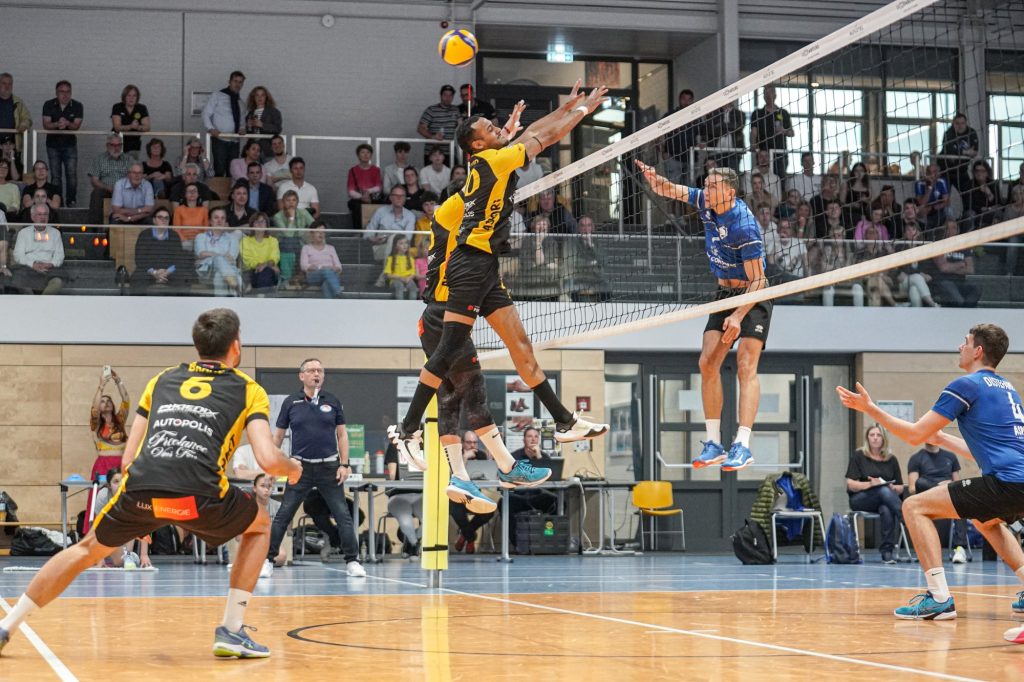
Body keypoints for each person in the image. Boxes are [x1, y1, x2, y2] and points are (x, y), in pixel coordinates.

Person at [0, 308, 302, 659]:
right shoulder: (249, 389)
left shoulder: (161, 380)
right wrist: (293, 468)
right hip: (201, 494)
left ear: (197, 345)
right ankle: (232, 630)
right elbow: (268, 459)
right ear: (236, 346)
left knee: (85, 549)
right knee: (260, 525)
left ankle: (7, 625)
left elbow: (128, 459)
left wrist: (145, 515)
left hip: (141, 489)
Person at [389, 82, 611, 461]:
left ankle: (563, 421)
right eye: (490, 130)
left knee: (521, 346)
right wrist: (582, 112)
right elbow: (545, 138)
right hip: (469, 266)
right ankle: (407, 431)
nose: (498, 128)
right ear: (477, 145)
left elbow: (534, 131)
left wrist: (568, 106)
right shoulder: (494, 161)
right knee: (447, 352)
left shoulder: (495, 158)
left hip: (487, 267)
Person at [836, 324, 1024, 638]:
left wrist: (870, 409)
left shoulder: (966, 385)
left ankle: (939, 598)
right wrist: (944, 439)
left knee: (913, 506)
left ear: (978, 351)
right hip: (1018, 481)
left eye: (965, 342)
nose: (960, 347)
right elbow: (987, 451)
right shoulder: (1007, 389)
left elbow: (913, 436)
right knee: (985, 520)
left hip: (1005, 482)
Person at [636, 161, 767, 471]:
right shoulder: (706, 203)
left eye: (713, 186)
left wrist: (738, 316)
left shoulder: (744, 225)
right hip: (724, 293)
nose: (706, 190)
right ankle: (714, 443)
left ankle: (742, 445)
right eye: (706, 185)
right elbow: (670, 190)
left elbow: (760, 281)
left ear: (729, 192)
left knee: (745, 366)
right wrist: (655, 179)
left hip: (752, 296)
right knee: (707, 363)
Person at [265, 358, 365, 578]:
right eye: (311, 370)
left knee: (343, 515)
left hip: (329, 467)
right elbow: (278, 436)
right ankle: (268, 561)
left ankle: (352, 561)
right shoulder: (291, 402)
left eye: (320, 370)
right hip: (298, 467)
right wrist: (272, 467)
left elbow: (342, 435)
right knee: (284, 514)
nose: (316, 374)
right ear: (302, 376)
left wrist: (344, 464)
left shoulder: (333, 401)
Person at [844, 424, 906, 563]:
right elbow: (851, 484)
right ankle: (906, 518)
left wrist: (892, 487)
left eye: (878, 435)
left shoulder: (891, 459)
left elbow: (901, 487)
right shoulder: (859, 456)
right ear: (867, 438)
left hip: (884, 499)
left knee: (886, 508)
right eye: (872, 435)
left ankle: (887, 552)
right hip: (861, 499)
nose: (875, 438)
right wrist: (871, 484)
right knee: (882, 491)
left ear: (884, 438)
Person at [85, 367, 130, 535]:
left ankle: (123, 532)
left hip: (120, 464)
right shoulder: (96, 424)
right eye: (103, 401)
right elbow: (94, 408)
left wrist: (118, 381)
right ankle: (96, 534)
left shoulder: (120, 421)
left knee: (122, 499)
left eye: (108, 401)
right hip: (103, 465)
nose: (106, 403)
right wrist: (101, 386)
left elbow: (126, 400)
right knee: (100, 499)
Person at [908, 443, 969, 564]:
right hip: (927, 499)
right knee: (920, 482)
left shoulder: (950, 456)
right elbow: (912, 488)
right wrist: (936, 487)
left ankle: (960, 548)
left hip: (946, 497)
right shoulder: (916, 458)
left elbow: (957, 485)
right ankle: (927, 550)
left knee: (961, 502)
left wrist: (949, 486)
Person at [93, 468, 152, 569]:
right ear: (109, 485)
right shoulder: (102, 497)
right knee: (118, 562)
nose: (120, 484)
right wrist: (100, 558)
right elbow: (98, 529)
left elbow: (143, 525)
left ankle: (129, 555)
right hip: (111, 534)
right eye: (116, 482)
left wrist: (144, 555)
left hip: (130, 531)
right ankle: (130, 556)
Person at [41, 80, 82, 206]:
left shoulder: (77, 105)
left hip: (70, 145)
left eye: (68, 92)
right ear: (56, 92)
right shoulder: (48, 104)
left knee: (72, 175)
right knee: (55, 176)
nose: (65, 95)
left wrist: (67, 123)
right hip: (53, 145)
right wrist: (57, 124)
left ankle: (71, 202)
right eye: (62, 92)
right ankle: (58, 203)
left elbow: (76, 126)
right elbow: (46, 124)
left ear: (71, 92)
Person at [132, 207, 191, 294]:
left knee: (185, 279)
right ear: (154, 220)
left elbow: (179, 259)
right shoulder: (145, 234)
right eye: (160, 217)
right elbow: (139, 259)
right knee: (137, 279)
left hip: (169, 272)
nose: (164, 220)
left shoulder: (174, 235)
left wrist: (167, 272)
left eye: (166, 218)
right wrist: (155, 272)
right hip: (149, 271)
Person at [12, 204, 64, 295]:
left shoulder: (56, 233)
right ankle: (32, 301)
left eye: (45, 214)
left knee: (58, 282)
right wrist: (33, 264)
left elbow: (60, 255)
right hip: (28, 269)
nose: (43, 217)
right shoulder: (23, 233)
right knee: (18, 280)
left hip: (49, 270)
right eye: (39, 214)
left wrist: (51, 264)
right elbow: (18, 255)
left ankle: (41, 302)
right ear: (33, 217)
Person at [203, 71, 247, 177]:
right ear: (229, 81)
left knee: (233, 171)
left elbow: (242, 121)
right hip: (220, 140)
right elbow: (205, 113)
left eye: (240, 82)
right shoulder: (217, 95)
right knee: (219, 168)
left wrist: (242, 128)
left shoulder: (241, 103)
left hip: (235, 141)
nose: (237, 84)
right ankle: (218, 188)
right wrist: (210, 128)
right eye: (235, 81)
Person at [383, 442, 423, 557]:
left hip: (420, 494)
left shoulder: (426, 446)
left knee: (431, 519)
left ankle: (411, 543)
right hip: (399, 495)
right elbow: (392, 476)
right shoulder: (394, 446)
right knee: (407, 522)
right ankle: (414, 543)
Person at [930, 220, 980, 308]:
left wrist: (950, 267)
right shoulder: (939, 246)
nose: (951, 231)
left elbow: (970, 269)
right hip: (943, 282)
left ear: (957, 230)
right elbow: (943, 268)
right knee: (954, 295)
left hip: (961, 282)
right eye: (947, 228)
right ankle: (964, 308)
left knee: (977, 288)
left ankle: (964, 308)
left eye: (953, 228)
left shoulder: (963, 247)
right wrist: (961, 264)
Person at [87, 133, 134, 226]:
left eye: (119, 145)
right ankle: (95, 226)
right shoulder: (99, 159)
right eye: (113, 145)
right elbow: (94, 180)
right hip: (106, 190)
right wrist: (108, 188)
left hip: (125, 190)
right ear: (107, 145)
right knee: (96, 193)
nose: (116, 148)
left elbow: (135, 176)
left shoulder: (129, 159)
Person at [194, 208, 241, 296]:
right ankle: (235, 285)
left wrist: (210, 254)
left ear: (225, 221)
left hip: (225, 270)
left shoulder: (232, 238)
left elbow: (231, 258)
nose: (219, 221)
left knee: (218, 276)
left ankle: (222, 301)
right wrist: (221, 255)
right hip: (207, 272)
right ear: (210, 221)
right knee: (219, 259)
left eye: (222, 218)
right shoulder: (201, 237)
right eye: (216, 217)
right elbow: (201, 253)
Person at [750, 85, 794, 177]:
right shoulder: (758, 113)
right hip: (763, 153)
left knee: (780, 178)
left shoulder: (783, 113)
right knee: (761, 178)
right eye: (766, 93)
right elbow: (754, 132)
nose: (769, 95)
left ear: (775, 95)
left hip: (779, 153)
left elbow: (791, 133)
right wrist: (753, 145)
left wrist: (783, 131)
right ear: (763, 96)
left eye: (771, 93)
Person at [365, 185, 416, 260]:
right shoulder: (380, 212)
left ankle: (389, 267)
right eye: (396, 195)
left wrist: (392, 240)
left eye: (402, 196)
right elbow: (368, 232)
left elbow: (408, 238)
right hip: (381, 247)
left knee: (397, 247)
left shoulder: (410, 216)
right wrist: (373, 239)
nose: (399, 198)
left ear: (405, 198)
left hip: (401, 249)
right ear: (390, 197)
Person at [300, 221, 342, 298]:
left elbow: (339, 266)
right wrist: (321, 268)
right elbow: (303, 265)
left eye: (323, 232)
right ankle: (339, 293)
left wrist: (333, 268)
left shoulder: (331, 248)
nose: (321, 234)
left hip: (330, 275)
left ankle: (329, 304)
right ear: (312, 233)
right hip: (313, 276)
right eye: (318, 232)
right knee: (326, 271)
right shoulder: (306, 248)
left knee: (326, 284)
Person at [239, 212, 279, 293]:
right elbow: (248, 260)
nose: (260, 224)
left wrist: (264, 265)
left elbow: (274, 257)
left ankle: (258, 294)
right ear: (252, 225)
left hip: (269, 270)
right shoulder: (245, 241)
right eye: (257, 222)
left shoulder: (273, 240)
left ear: (267, 225)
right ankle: (264, 296)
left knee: (266, 272)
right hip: (251, 271)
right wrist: (263, 265)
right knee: (265, 274)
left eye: (263, 221)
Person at [938, 113, 979, 191]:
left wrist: (957, 152)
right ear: (953, 124)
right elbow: (948, 150)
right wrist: (965, 152)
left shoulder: (971, 132)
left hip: (961, 170)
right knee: (943, 195)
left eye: (962, 123)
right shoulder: (948, 133)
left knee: (968, 193)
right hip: (945, 170)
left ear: (966, 123)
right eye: (957, 123)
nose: (960, 126)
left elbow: (974, 151)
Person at [346, 143, 383, 227]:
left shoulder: (376, 170)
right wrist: (362, 197)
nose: (365, 155)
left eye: (368, 152)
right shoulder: (352, 170)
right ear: (358, 155)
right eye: (362, 152)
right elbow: (350, 191)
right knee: (356, 206)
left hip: (373, 198)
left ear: (371, 155)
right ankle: (358, 231)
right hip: (358, 198)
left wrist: (368, 192)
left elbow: (379, 187)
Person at [960, 159, 1001, 231]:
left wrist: (989, 194)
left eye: (982, 171)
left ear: (987, 173)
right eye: (977, 171)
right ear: (974, 173)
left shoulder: (993, 184)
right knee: (970, 214)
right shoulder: (968, 185)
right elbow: (967, 204)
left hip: (989, 212)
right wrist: (981, 209)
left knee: (999, 213)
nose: (979, 173)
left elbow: (999, 203)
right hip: (975, 212)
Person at [110, 84, 150, 157]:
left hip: (134, 144)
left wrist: (138, 127)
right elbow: (117, 127)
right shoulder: (117, 107)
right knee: (116, 163)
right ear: (124, 96)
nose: (131, 98)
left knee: (132, 163)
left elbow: (147, 127)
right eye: (129, 95)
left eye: (134, 96)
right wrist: (130, 126)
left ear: (137, 97)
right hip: (117, 143)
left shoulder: (142, 108)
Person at [0, 73, 32, 159]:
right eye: (4, 83)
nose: (7, 86)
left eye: (10, 84)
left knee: (14, 167)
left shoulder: (18, 102)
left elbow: (28, 118)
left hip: (13, 145)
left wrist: (24, 124)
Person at [245, 86, 282, 159]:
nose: (260, 97)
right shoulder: (250, 113)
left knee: (269, 166)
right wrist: (249, 127)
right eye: (257, 95)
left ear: (266, 97)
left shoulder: (273, 111)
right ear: (253, 97)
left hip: (267, 149)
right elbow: (248, 134)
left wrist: (262, 125)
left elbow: (278, 129)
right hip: (253, 150)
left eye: (262, 95)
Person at [173, 183, 210, 250]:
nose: (192, 193)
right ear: (185, 194)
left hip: (200, 241)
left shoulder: (204, 210)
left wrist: (199, 241)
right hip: (183, 241)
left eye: (194, 191)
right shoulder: (178, 210)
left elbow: (206, 229)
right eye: (189, 191)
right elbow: (177, 230)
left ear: (198, 194)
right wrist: (185, 241)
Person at [915, 163, 950, 232]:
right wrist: (930, 187)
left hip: (937, 208)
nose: (931, 174)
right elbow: (920, 203)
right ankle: (925, 233)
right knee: (919, 211)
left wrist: (934, 207)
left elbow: (947, 201)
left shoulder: (942, 181)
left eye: (934, 172)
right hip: (925, 209)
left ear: (939, 173)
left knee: (949, 210)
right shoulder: (919, 183)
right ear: (926, 173)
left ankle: (949, 232)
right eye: (929, 172)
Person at [840, 162, 872, 229]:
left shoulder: (868, 186)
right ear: (853, 172)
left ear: (865, 172)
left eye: (861, 171)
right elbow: (840, 205)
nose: (859, 173)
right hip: (849, 216)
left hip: (865, 216)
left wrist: (866, 201)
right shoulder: (846, 185)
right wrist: (851, 205)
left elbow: (873, 205)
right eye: (856, 171)